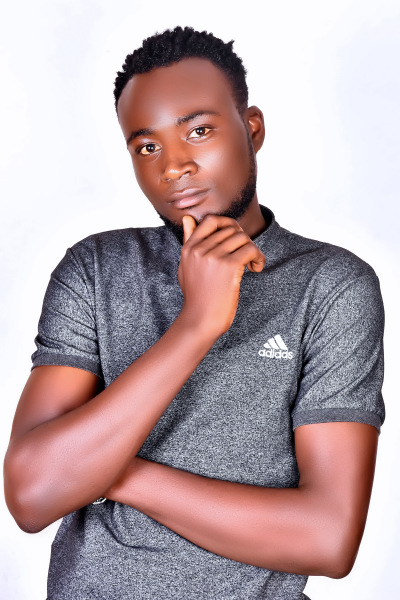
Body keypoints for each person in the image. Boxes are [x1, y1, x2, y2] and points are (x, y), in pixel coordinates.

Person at [3, 25, 385, 600]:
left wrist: (108, 471)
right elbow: (32, 496)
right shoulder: (96, 268)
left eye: (199, 131)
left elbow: (327, 539)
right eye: (147, 147)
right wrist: (197, 325)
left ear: (252, 129)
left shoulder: (330, 285)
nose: (173, 166)